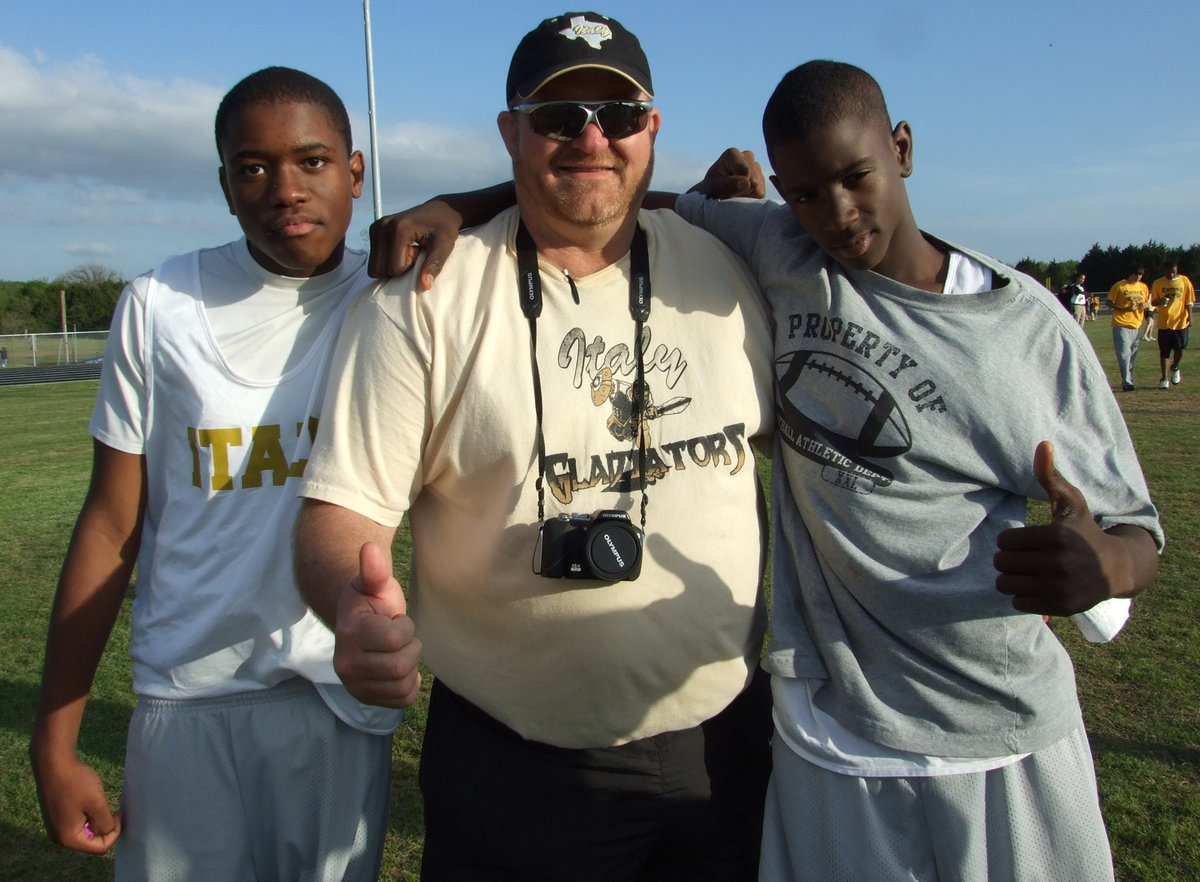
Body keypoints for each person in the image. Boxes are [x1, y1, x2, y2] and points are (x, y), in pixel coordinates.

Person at [381, 58, 1163, 882]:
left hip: (993, 729)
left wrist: (1105, 564)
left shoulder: (1026, 331)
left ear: (901, 149)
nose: (835, 212)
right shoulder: (779, 248)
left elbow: (1137, 533)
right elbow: (601, 191)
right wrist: (456, 207)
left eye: (855, 177)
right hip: (829, 737)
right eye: (802, 191)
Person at [294, 12, 775, 882]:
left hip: (728, 744)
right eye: (557, 117)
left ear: (653, 128)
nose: (592, 137)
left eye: (619, 115)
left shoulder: (732, 270)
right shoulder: (422, 301)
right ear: (510, 131)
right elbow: (339, 513)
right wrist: (354, 608)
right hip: (515, 767)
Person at [28, 67, 399, 881]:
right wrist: (56, 741)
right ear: (226, 185)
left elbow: (543, 210)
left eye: (312, 161)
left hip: (337, 697)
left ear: (356, 171)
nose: (285, 189)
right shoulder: (161, 301)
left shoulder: (394, 294)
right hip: (187, 695)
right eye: (253, 168)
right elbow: (112, 523)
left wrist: (691, 199)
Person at [1150, 260, 1195, 389]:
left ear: (1177, 270)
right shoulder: (1158, 283)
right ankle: (1164, 378)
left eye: (1174, 272)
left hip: (1180, 321)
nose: (1171, 274)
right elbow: (1153, 302)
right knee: (1164, 351)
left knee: (1180, 348)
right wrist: (1161, 300)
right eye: (1169, 272)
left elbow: (1189, 300)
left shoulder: (1184, 281)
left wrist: (1190, 316)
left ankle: (1175, 367)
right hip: (1165, 322)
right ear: (1165, 270)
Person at [1108, 266, 1149, 389]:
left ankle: (1129, 379)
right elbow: (1109, 302)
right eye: (1136, 274)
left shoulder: (1143, 287)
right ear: (1130, 274)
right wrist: (1124, 308)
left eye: (1140, 275)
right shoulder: (1120, 286)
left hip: (1136, 325)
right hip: (1121, 324)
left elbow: (1147, 303)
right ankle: (1126, 382)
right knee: (1124, 354)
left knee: (1132, 355)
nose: (1138, 277)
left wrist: (1145, 305)